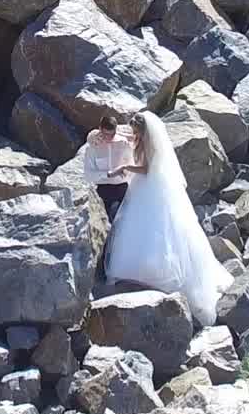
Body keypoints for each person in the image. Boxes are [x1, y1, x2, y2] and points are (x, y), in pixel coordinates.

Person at [104, 110, 234, 326]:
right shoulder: (143, 138)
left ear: (144, 132)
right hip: (145, 187)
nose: (134, 135)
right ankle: (136, 269)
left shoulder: (150, 145)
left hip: (149, 187)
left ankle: (155, 272)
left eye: (136, 133)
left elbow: (145, 168)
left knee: (156, 228)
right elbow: (128, 136)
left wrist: (124, 167)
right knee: (136, 227)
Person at [83, 113, 134, 219]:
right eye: (106, 134)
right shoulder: (93, 147)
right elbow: (88, 176)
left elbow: (131, 163)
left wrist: (127, 170)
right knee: (109, 217)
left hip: (122, 187)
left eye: (112, 134)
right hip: (103, 189)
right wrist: (109, 174)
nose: (109, 138)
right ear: (100, 129)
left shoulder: (123, 143)